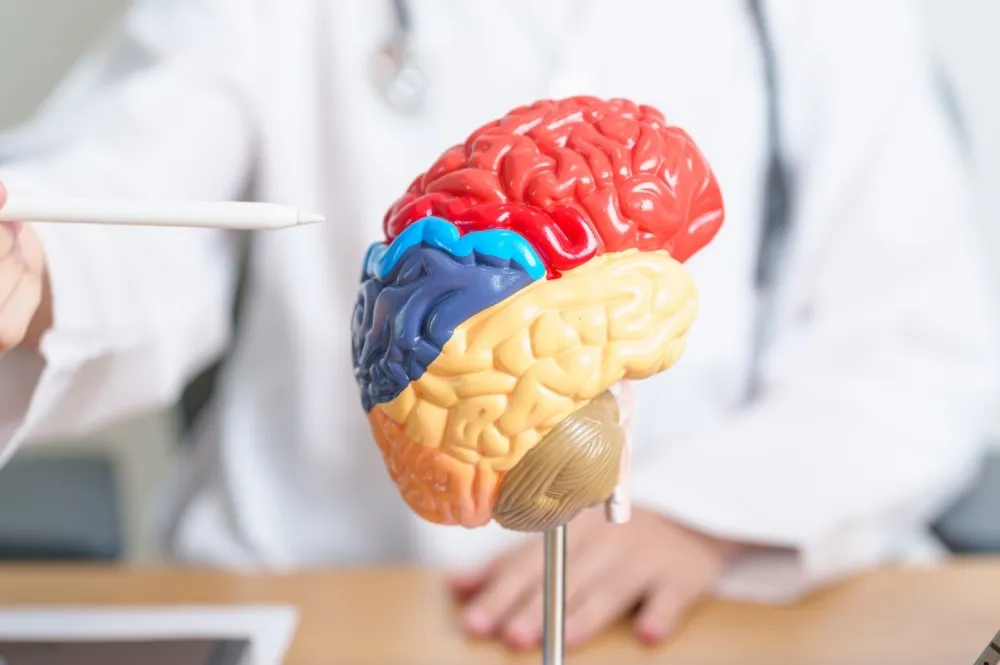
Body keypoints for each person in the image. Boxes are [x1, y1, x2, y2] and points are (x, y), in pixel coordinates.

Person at [0, 0, 996, 652]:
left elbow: (923, 343)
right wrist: (37, 263)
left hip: (701, 616)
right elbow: (128, 198)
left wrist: (707, 508)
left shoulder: (820, 25)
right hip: (327, 599)